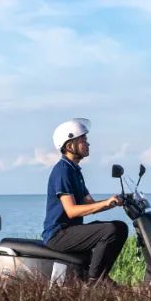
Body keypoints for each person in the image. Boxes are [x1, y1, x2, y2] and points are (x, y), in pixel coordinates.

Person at [42, 118, 128, 282]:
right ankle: (95, 281)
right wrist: (106, 203)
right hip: (58, 234)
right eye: (83, 140)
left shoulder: (75, 171)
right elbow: (71, 211)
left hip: (71, 230)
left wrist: (115, 201)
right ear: (69, 146)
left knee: (120, 227)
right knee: (111, 230)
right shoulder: (62, 171)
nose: (88, 144)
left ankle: (100, 277)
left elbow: (90, 204)